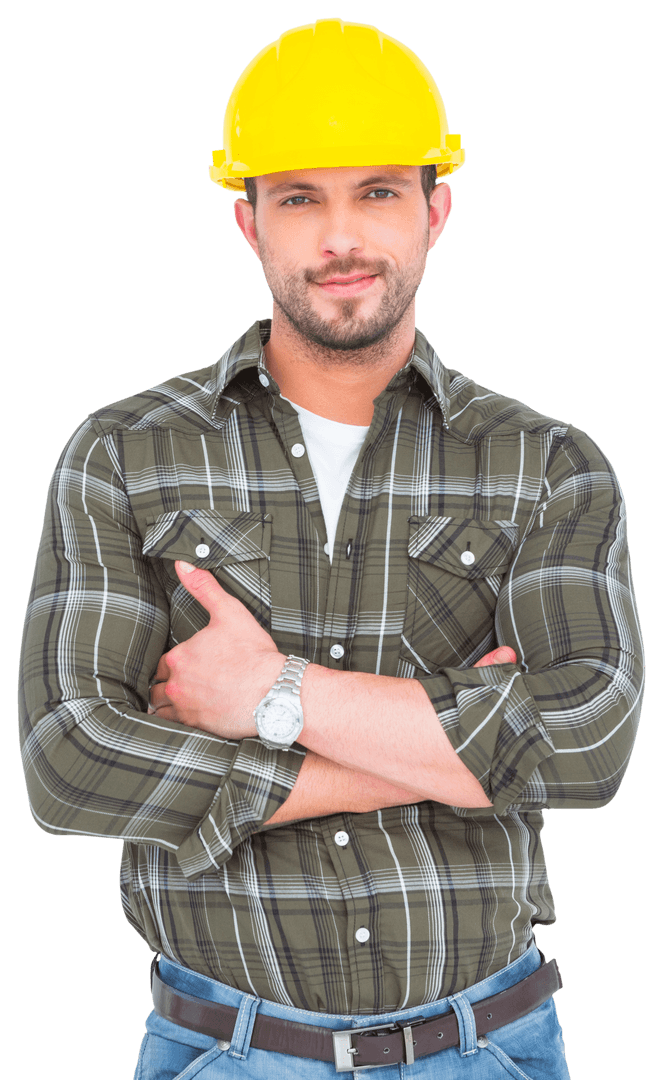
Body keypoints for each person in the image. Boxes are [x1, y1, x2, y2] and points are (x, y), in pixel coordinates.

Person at [18, 17, 644, 1080]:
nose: (340, 236)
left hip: (489, 1049)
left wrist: (276, 698)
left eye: (378, 192)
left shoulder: (549, 464)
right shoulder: (123, 452)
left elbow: (588, 744)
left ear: (436, 210)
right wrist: (451, 755)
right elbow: (69, 760)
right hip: (224, 1051)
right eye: (299, 198)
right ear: (248, 223)